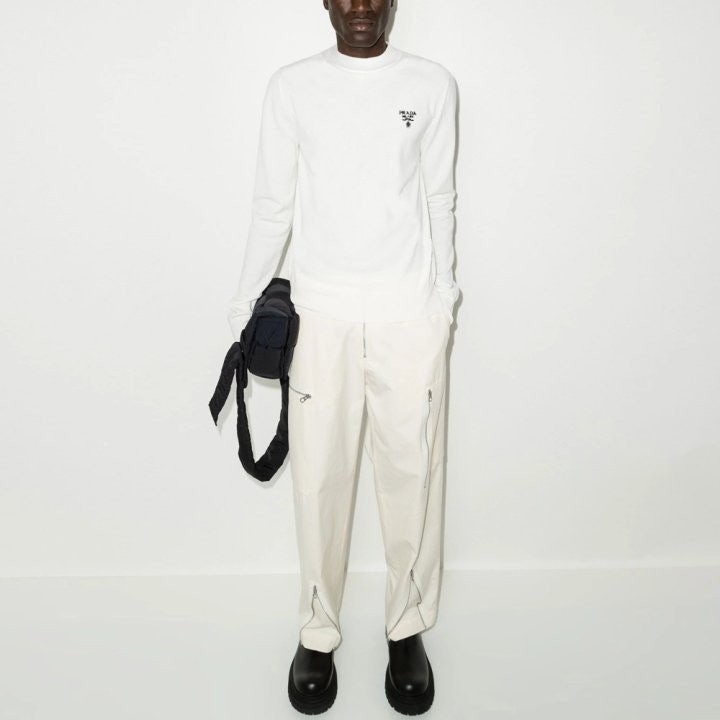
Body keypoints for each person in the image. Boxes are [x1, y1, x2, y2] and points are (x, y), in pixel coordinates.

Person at [226, 0, 460, 714]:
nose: (361, 6)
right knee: (319, 480)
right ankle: (318, 631)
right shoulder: (293, 86)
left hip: (407, 315)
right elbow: (273, 205)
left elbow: (441, 197)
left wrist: (443, 301)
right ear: (326, 2)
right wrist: (242, 311)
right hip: (320, 315)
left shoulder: (431, 84)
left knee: (413, 474)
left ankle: (406, 627)